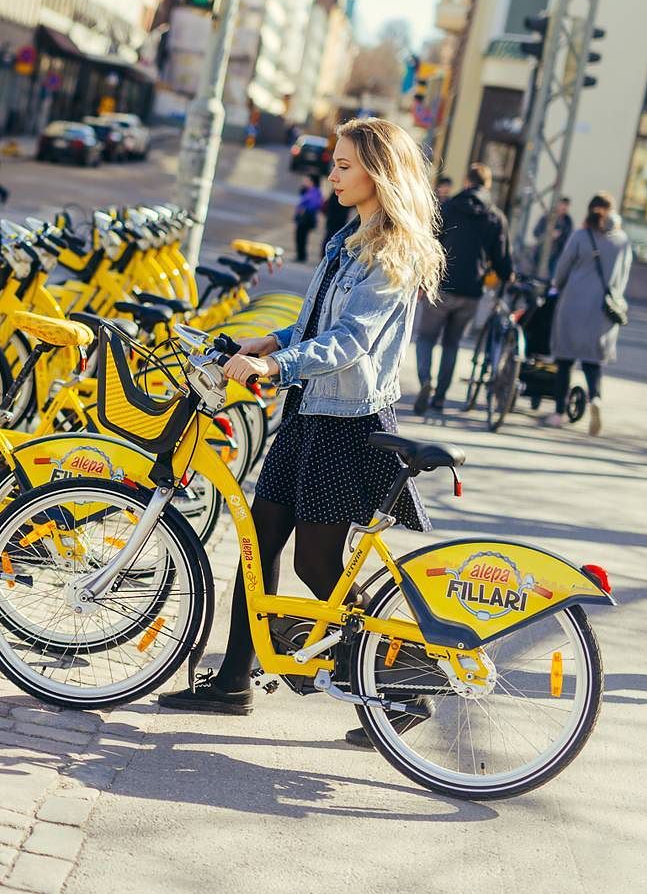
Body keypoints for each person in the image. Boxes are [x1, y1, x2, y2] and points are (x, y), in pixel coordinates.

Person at [159, 117, 446, 746]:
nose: (332, 174)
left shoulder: (391, 254)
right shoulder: (346, 238)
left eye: (344, 165)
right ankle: (234, 679)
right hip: (307, 414)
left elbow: (350, 342)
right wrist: (272, 340)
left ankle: (403, 683)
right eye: (335, 164)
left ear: (378, 173)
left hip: (349, 426)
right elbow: (319, 323)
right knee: (258, 544)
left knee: (320, 566)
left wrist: (272, 365)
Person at [413, 163, 512, 415]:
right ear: (487, 186)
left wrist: (422, 276)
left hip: (441, 285)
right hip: (471, 291)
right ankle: (440, 398)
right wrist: (507, 276)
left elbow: (429, 242)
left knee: (425, 338)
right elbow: (501, 259)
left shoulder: (447, 207)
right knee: (452, 343)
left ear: (467, 182)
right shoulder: (495, 216)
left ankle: (426, 381)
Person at [544, 191, 632, 435]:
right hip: (603, 310)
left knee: (564, 361)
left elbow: (562, 269)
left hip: (573, 304)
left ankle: (559, 412)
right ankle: (595, 399)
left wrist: (556, 286)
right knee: (592, 362)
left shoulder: (581, 236)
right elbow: (623, 278)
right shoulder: (622, 240)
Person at [534, 196, 574, 275]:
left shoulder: (568, 222)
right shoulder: (546, 218)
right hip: (541, 253)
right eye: (563, 205)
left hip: (557, 256)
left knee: (552, 276)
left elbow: (569, 239)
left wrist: (559, 236)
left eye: (566, 206)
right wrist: (548, 234)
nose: (564, 207)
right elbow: (536, 232)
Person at [293, 175, 323, 263]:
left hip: (306, 219)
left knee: (301, 237)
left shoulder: (315, 192)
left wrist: (304, 209)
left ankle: (301, 256)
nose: (304, 182)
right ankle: (300, 255)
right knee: (300, 236)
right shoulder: (308, 190)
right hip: (303, 218)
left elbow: (315, 205)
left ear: (312, 182)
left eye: (306, 180)